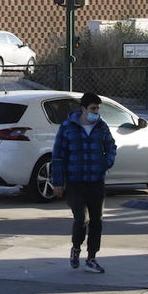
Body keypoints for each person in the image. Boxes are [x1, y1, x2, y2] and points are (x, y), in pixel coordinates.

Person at [52, 92, 117, 274]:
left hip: (96, 181)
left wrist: (105, 163)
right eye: (92, 108)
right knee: (81, 218)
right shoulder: (68, 127)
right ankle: (76, 248)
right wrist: (58, 182)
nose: (96, 112)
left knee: (96, 220)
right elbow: (58, 156)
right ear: (83, 109)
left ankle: (91, 258)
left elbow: (111, 147)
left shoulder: (101, 126)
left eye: (97, 109)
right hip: (75, 182)